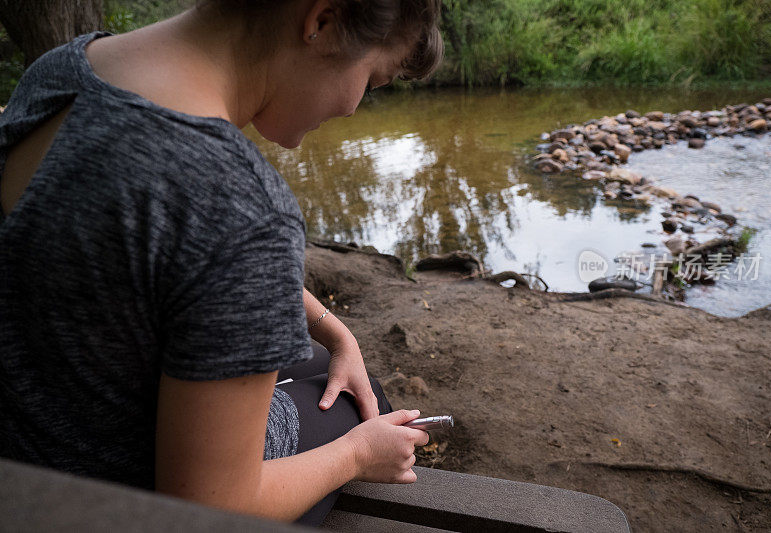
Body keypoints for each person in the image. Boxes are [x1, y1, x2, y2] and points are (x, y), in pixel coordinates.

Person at [0, 0, 443, 526]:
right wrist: (356, 455)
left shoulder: (65, 70)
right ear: (321, 24)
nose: (353, 107)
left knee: (329, 364)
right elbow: (208, 513)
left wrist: (334, 330)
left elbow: (149, 252)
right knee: (357, 408)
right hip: (110, 506)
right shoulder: (237, 200)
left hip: (30, 445)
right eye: (371, 80)